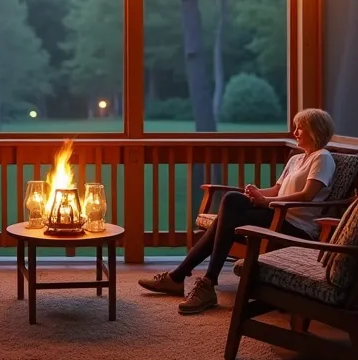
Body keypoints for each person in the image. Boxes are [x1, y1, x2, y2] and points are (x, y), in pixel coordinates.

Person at [138, 108, 337, 315]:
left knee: (229, 210)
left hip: (295, 227)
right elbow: (277, 189)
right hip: (275, 215)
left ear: (315, 131)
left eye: (300, 128)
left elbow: (307, 195)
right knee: (232, 203)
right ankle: (198, 281)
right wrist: (257, 193)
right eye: (295, 127)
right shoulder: (296, 159)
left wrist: (265, 201)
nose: (295, 132)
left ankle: (184, 278)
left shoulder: (322, 158)